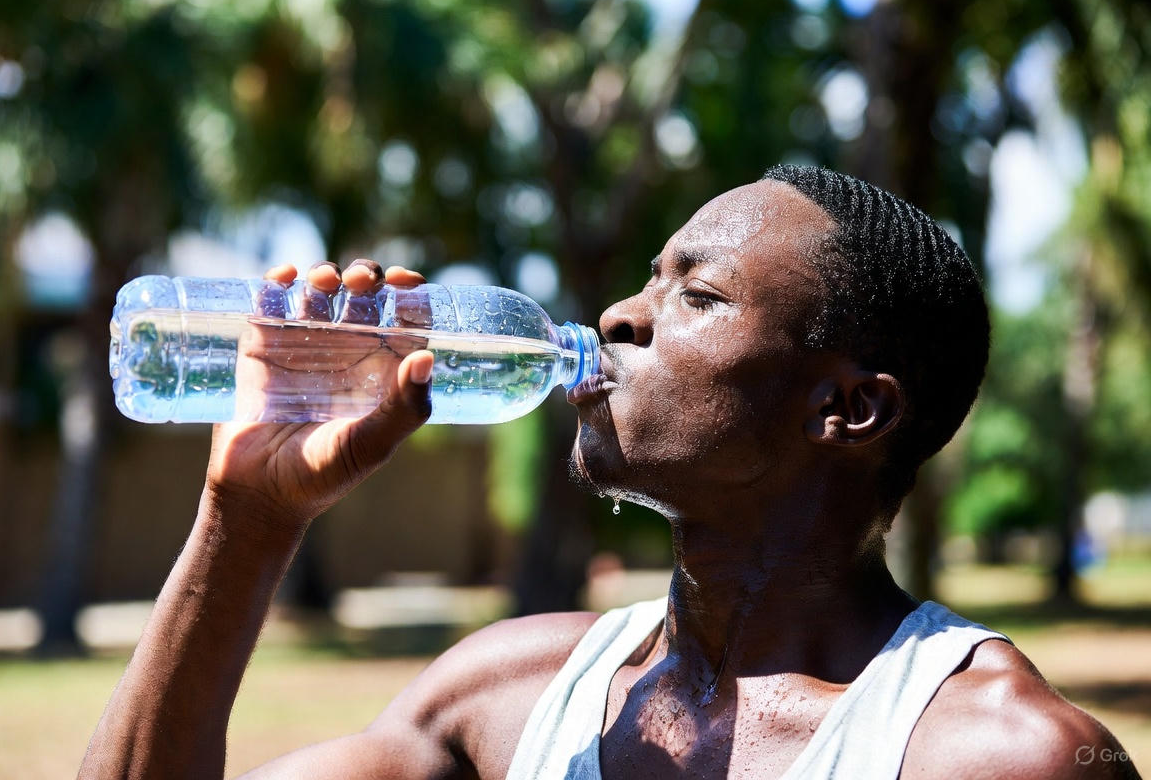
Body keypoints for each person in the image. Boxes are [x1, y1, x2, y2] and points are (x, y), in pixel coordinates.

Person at [79, 165, 1140, 779]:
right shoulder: (506, 694)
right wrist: (246, 516)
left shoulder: (994, 758)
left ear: (848, 407)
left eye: (699, 296)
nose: (621, 317)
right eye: (645, 280)